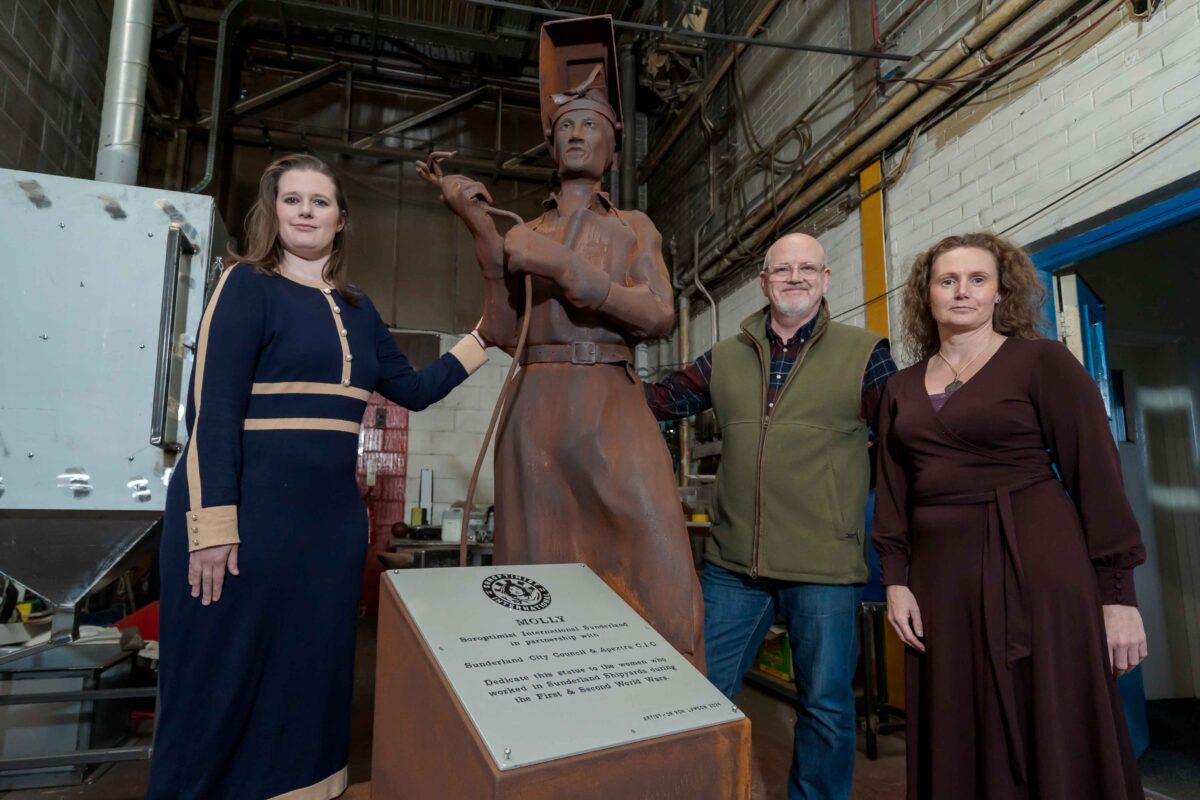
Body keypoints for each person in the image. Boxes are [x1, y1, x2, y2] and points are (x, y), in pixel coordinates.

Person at [147, 153, 489, 799]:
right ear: (273, 211)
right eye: (293, 199)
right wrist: (213, 523)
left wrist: (482, 338)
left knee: (310, 679)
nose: (306, 211)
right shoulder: (244, 284)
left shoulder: (359, 310)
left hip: (327, 530)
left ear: (340, 219)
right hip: (244, 522)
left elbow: (413, 389)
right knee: (221, 681)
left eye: (320, 201)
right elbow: (212, 413)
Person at [419, 16, 705, 668]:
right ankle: (549, 719)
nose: (578, 135)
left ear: (613, 147)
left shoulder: (633, 228)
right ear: (552, 145)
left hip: (610, 399)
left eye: (591, 127)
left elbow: (659, 315)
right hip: (537, 407)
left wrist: (573, 273)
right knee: (536, 578)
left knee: (661, 568)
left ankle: (670, 720)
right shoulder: (526, 228)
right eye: (566, 127)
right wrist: (478, 230)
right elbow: (500, 324)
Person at [873, 232, 1147, 799]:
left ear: (1001, 293)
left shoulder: (1042, 362)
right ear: (927, 296)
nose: (962, 292)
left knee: (1051, 711)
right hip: (942, 579)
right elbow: (892, 492)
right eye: (947, 281)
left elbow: (1096, 476)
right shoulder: (898, 388)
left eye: (978, 280)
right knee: (958, 715)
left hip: (1039, 567)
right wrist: (895, 582)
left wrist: (1118, 596)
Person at [645, 231, 897, 800]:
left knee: (827, 708)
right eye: (782, 269)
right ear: (763, 282)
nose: (795, 278)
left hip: (824, 564)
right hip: (735, 566)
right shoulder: (726, 357)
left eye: (808, 268)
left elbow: (907, 448)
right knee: (698, 692)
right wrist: (591, 365)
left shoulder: (865, 354)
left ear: (827, 279)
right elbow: (659, 402)